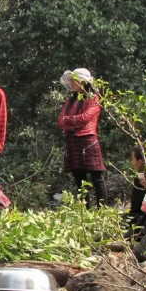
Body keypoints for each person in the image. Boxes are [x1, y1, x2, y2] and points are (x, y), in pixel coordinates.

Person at [58, 68, 106, 207]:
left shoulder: (93, 98)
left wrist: (68, 119)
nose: (72, 83)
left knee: (96, 177)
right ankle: (85, 209)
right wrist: (72, 120)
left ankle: (102, 208)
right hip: (72, 139)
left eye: (75, 80)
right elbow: (60, 121)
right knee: (79, 177)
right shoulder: (70, 101)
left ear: (83, 82)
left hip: (88, 139)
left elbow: (84, 119)